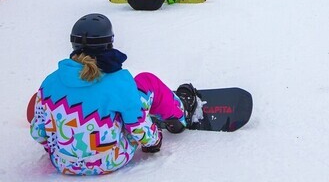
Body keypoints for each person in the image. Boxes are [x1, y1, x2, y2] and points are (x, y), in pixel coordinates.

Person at [30, 13, 202, 176]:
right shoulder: (119, 80)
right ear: (109, 43)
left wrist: (62, 151)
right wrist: (154, 140)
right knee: (146, 81)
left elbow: (38, 131)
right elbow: (137, 126)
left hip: (62, 164)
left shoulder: (50, 82)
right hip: (111, 160)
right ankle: (180, 115)